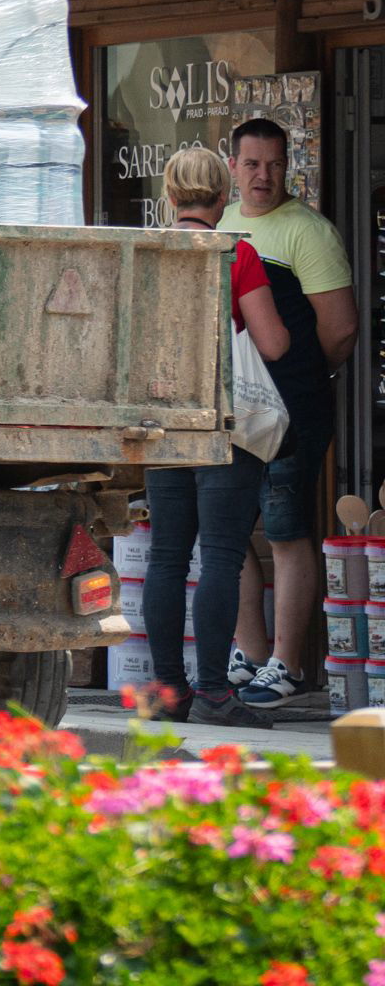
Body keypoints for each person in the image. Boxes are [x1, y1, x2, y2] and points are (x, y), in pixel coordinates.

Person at [141, 147, 292, 726]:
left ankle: (167, 691)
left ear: (170, 196)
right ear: (224, 196)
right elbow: (272, 343)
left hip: (161, 423)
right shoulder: (236, 252)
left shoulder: (147, 253)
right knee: (221, 559)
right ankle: (213, 692)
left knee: (166, 558)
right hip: (225, 425)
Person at [222, 117, 357, 713]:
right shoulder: (223, 223)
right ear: (232, 167)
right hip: (231, 407)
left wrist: (303, 375)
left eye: (275, 164)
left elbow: (341, 330)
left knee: (285, 528)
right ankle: (249, 652)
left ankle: (289, 663)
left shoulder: (309, 232)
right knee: (228, 528)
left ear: (289, 166)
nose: (264, 176)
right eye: (252, 164)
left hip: (293, 408)